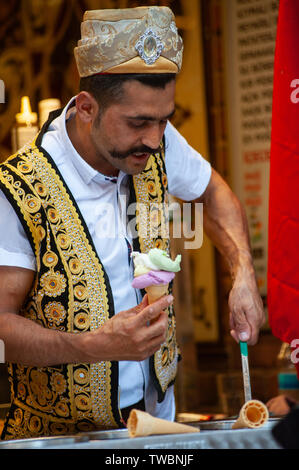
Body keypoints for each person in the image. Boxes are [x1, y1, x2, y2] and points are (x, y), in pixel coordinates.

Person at [0, 6, 264, 440]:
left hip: (158, 428)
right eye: (139, 122)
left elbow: (214, 193)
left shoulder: (153, 142)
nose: (155, 139)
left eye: (164, 120)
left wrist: (243, 275)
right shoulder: (21, 187)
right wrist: (92, 346)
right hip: (62, 439)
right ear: (86, 108)